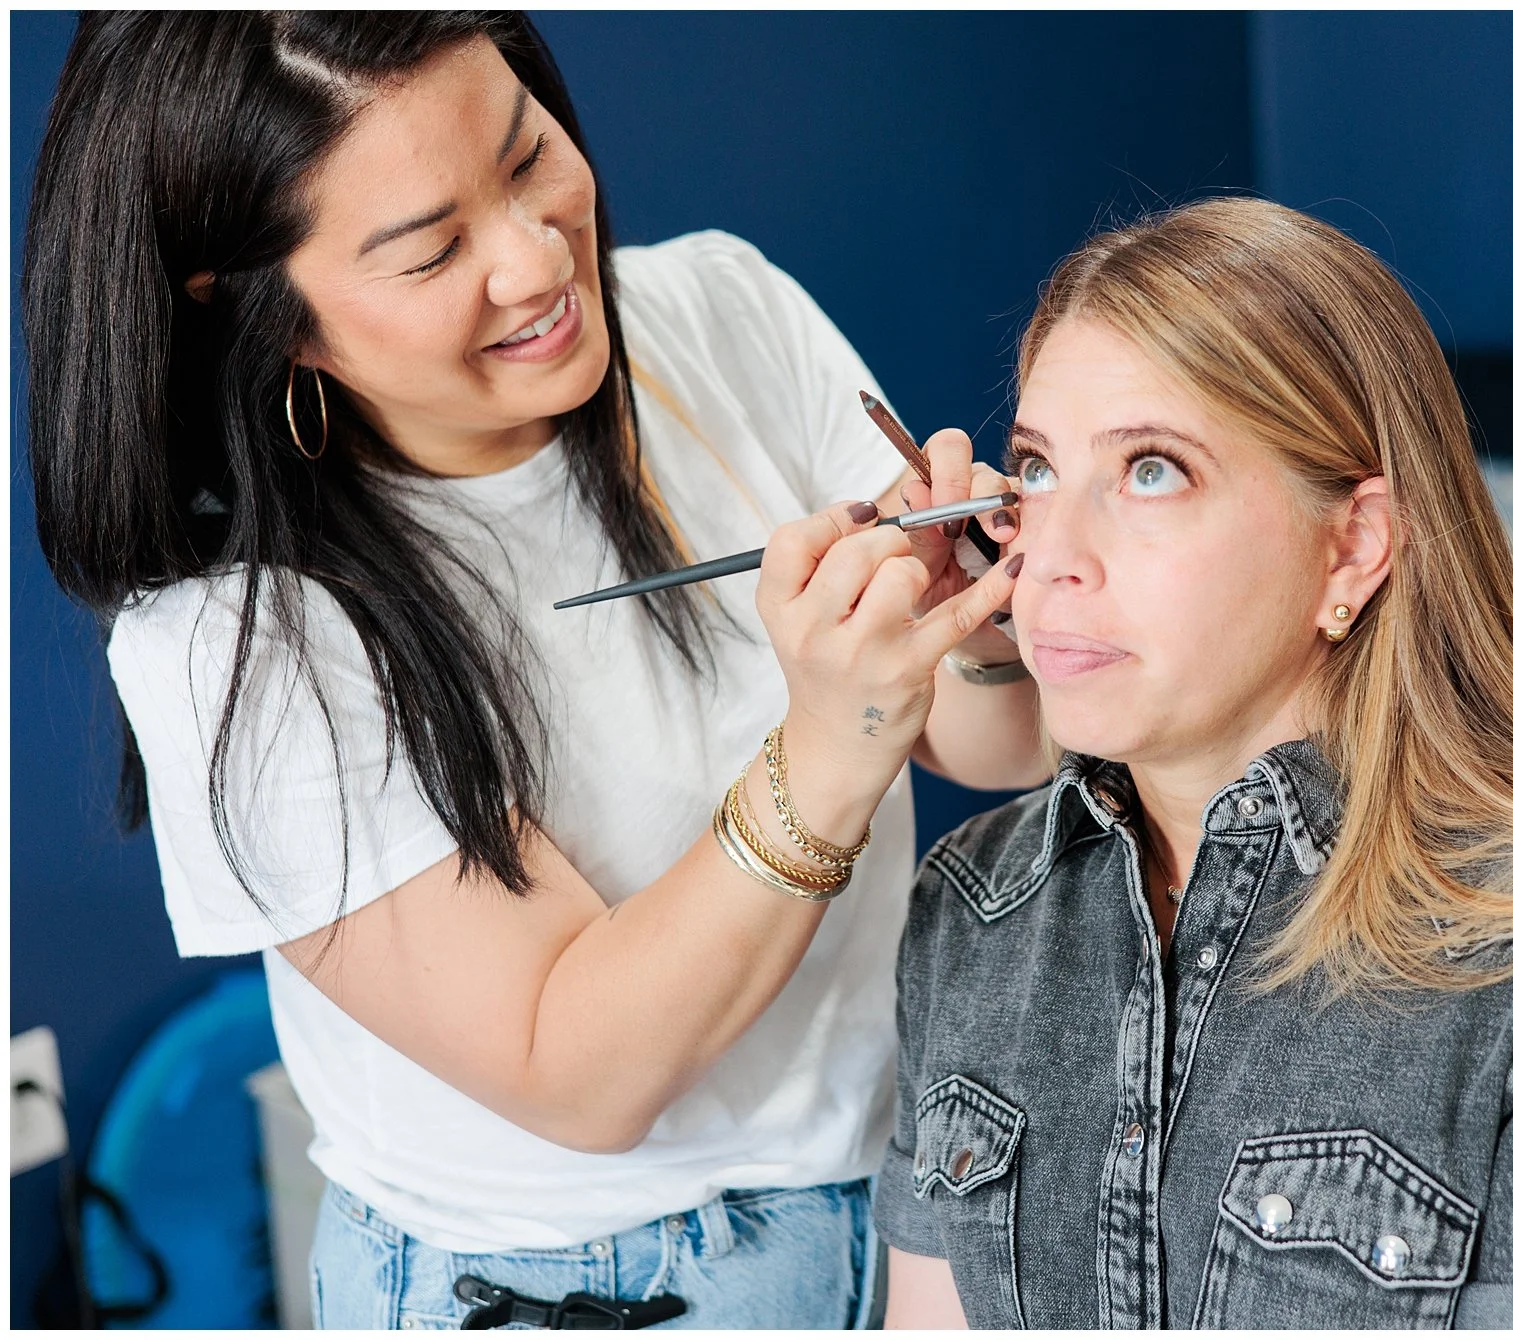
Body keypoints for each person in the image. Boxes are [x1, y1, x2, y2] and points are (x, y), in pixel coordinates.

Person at [25, 12, 1046, 1329]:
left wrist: (989, 624)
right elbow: (582, 1072)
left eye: (528, 159)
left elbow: (996, 747)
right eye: (432, 248)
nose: (536, 259)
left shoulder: (715, 308)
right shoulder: (238, 641)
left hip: (904, 1191)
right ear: (258, 309)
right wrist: (832, 743)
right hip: (583, 1288)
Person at [876, 197, 1513, 1330]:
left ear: (1350, 545)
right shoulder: (971, 907)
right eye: (1037, 468)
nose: (1049, 556)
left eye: (1151, 470)